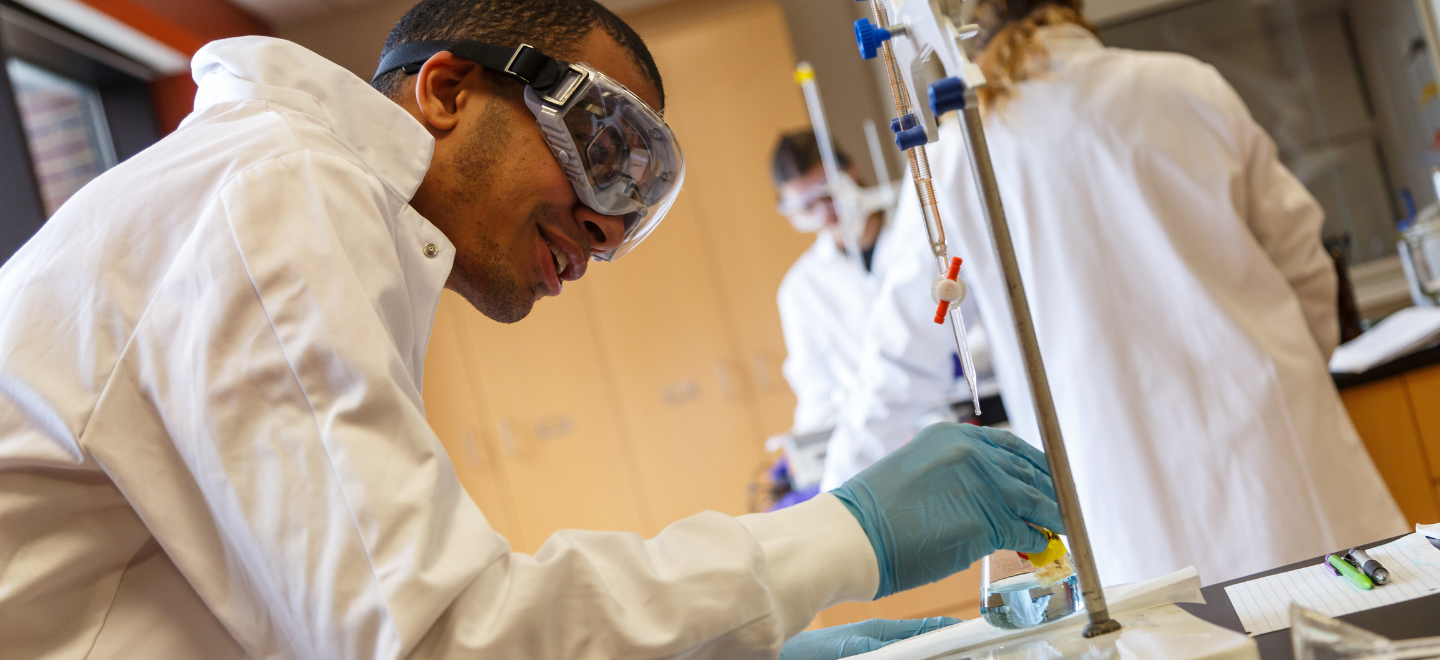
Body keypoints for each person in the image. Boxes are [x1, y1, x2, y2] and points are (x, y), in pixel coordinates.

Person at [0, 1, 1066, 658]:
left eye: (640, 200)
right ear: (447, 89)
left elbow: (326, 626)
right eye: (603, 149)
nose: (605, 229)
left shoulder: (284, 201)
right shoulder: (280, 194)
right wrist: (849, 536)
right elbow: (440, 642)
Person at [865, 0, 1406, 585]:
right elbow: (1306, 266)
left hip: (1128, 508)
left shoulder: (959, 155)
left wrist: (827, 519)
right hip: (1285, 466)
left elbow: (895, 365)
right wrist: (1286, 379)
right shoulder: (1185, 85)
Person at [771, 132, 989, 493]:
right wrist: (807, 458)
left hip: (962, 417)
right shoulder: (799, 290)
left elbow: (976, 331)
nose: (825, 212)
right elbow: (816, 393)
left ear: (850, 171)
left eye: (827, 192)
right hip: (877, 446)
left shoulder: (924, 237)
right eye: (807, 207)